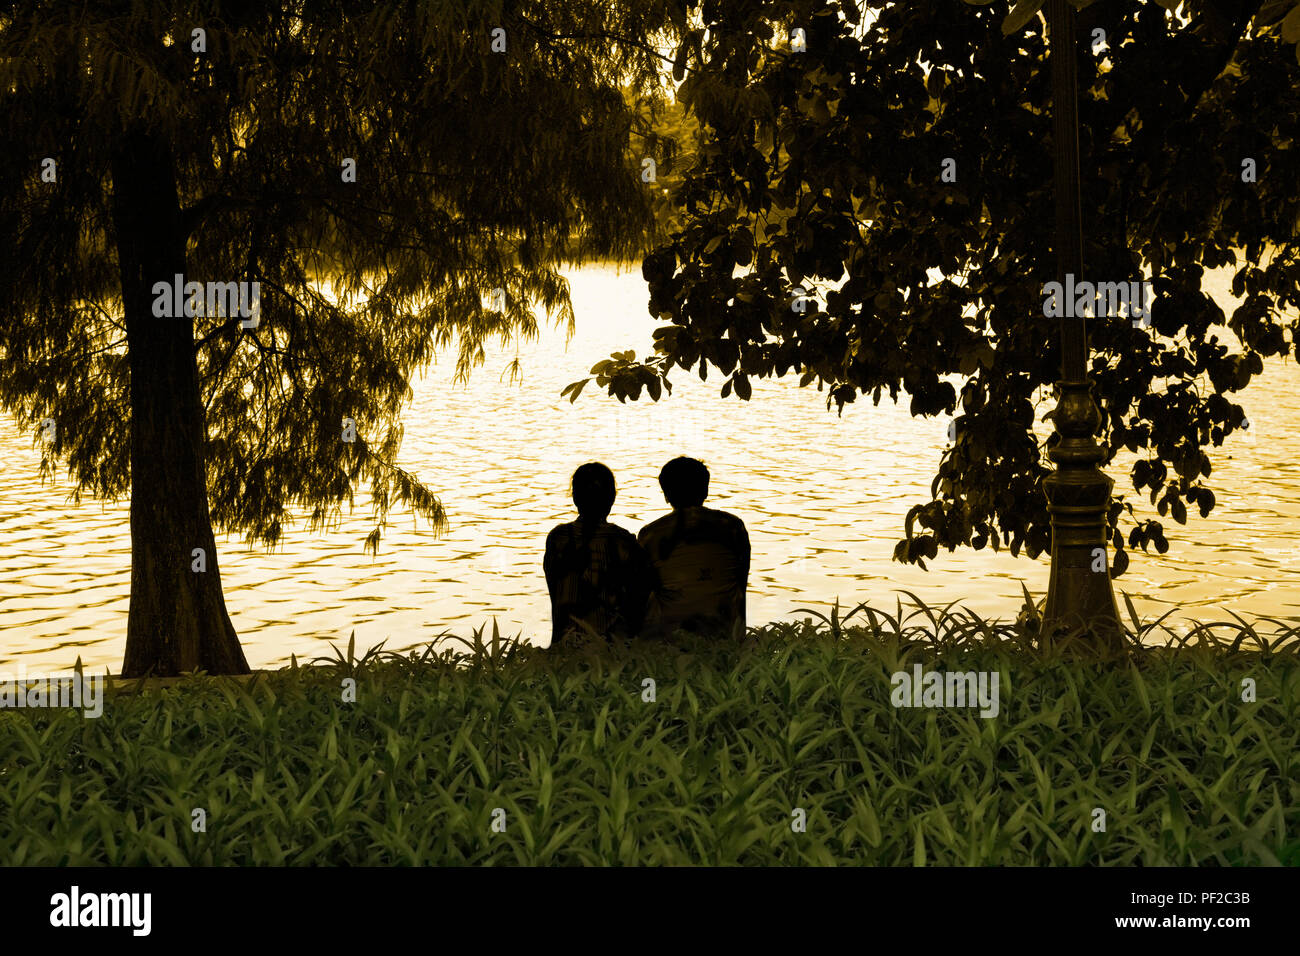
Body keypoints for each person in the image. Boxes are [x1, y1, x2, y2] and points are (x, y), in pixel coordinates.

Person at [638, 457, 750, 640]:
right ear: (705, 490)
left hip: (670, 637)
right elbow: (740, 585)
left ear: (666, 495)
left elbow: (643, 591)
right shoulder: (733, 527)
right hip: (724, 633)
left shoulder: (650, 534)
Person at [544, 462, 650, 648]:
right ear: (612, 498)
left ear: (575, 498)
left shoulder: (557, 538)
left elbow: (556, 592)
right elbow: (638, 600)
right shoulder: (623, 541)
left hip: (564, 644)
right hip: (611, 647)